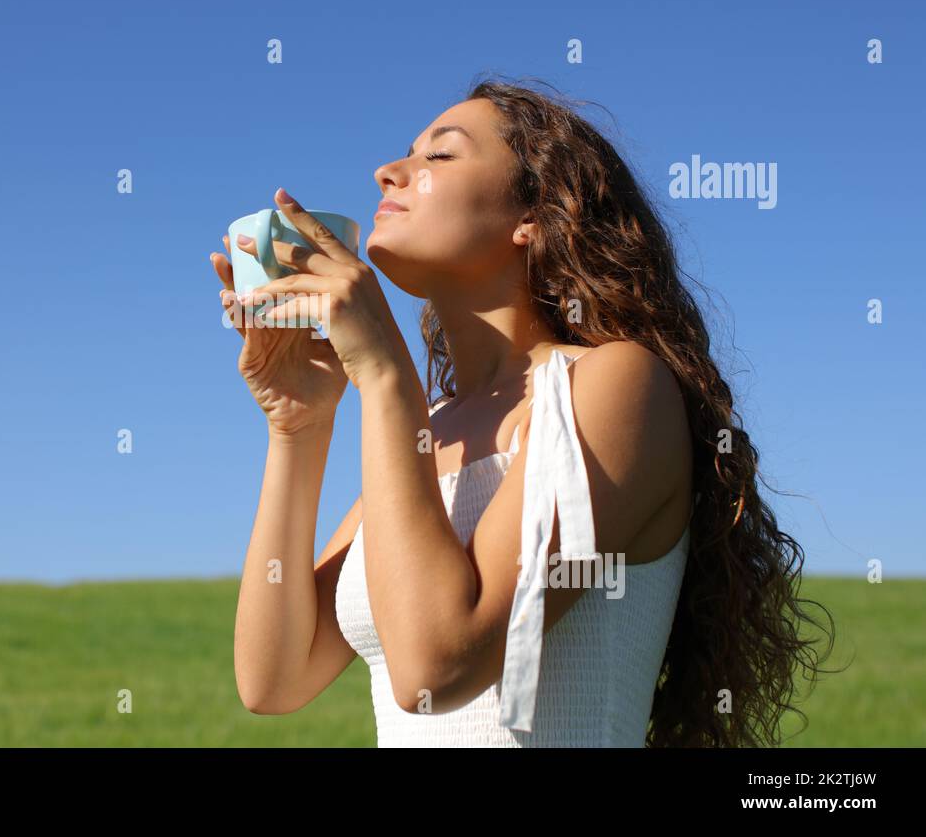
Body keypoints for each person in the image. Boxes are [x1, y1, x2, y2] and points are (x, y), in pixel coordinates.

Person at [213, 77, 834, 747]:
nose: (388, 172)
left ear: (533, 214)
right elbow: (273, 680)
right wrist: (298, 428)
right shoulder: (432, 432)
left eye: (439, 157)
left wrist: (386, 377)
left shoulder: (616, 383)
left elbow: (437, 668)